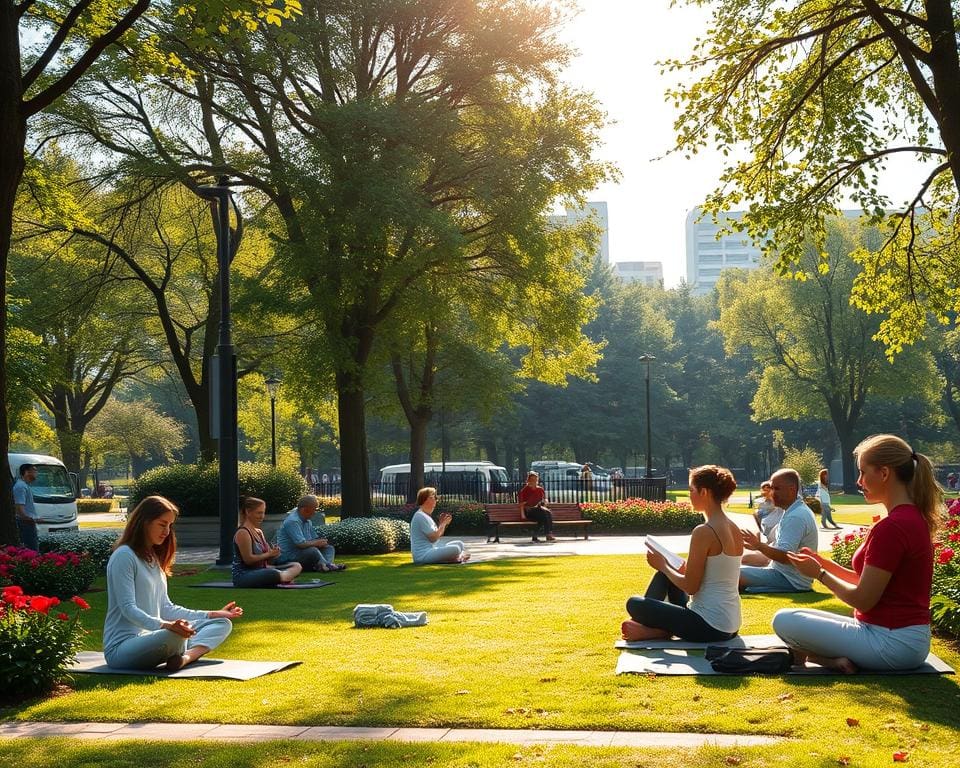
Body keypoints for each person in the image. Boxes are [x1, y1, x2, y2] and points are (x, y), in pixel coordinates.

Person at [772, 435, 940, 672]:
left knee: (783, 621)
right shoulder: (907, 519)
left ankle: (822, 659)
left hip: (892, 643)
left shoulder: (894, 527)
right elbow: (865, 582)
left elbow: (863, 599)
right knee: (795, 614)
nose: (859, 481)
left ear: (884, 473)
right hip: (898, 638)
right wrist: (822, 563)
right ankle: (830, 661)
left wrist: (819, 574)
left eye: (862, 472)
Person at [103, 495, 243, 671]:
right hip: (122, 649)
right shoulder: (124, 556)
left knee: (222, 623)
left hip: (155, 636)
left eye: (170, 525)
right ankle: (180, 648)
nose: (167, 531)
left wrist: (213, 614)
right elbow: (128, 608)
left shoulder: (153, 558)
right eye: (162, 524)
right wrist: (167, 626)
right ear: (144, 522)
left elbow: (166, 607)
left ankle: (185, 658)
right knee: (174, 636)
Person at [621, 465, 743, 642]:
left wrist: (662, 564)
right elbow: (716, 575)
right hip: (730, 625)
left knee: (634, 603)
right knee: (664, 577)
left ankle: (653, 630)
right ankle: (653, 630)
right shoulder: (734, 528)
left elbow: (691, 587)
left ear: (705, 492)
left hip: (709, 626)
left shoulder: (704, 531)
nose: (689, 495)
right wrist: (673, 569)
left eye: (691, 490)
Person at [739, 468, 819, 593]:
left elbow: (785, 556)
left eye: (777, 489)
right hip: (784, 573)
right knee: (744, 559)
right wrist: (758, 548)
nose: (772, 493)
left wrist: (758, 545)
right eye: (771, 488)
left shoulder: (796, 516)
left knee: (731, 575)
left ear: (792, 489)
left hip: (790, 579)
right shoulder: (794, 510)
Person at [232, 496, 303, 587]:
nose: (262, 516)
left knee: (296, 565)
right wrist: (269, 554)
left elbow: (268, 559)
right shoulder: (243, 532)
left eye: (263, 513)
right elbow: (248, 560)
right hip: (244, 575)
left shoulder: (259, 532)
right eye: (259, 513)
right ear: (248, 512)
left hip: (262, 569)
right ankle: (283, 577)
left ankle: (283, 577)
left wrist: (274, 553)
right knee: (273, 573)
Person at [277, 494, 345, 572]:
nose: (315, 512)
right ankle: (327, 565)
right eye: (314, 509)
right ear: (305, 510)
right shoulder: (293, 521)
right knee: (313, 551)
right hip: (289, 555)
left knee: (329, 548)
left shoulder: (307, 521)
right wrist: (316, 543)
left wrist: (322, 542)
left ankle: (324, 566)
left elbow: (313, 539)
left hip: (301, 552)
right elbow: (300, 544)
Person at [410, 487, 470, 564]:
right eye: (433, 497)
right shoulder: (420, 516)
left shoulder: (426, 516)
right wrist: (443, 524)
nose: (436, 500)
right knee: (456, 549)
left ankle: (455, 558)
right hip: (423, 555)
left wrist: (442, 524)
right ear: (425, 500)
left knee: (459, 544)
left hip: (432, 549)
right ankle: (457, 557)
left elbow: (438, 535)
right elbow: (433, 538)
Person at [518, 471, 555, 542]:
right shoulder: (524, 490)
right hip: (529, 512)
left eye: (535, 479)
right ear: (528, 480)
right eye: (532, 480)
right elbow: (521, 504)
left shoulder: (540, 489)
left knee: (546, 514)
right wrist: (522, 515)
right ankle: (548, 534)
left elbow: (544, 500)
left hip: (539, 510)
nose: (534, 481)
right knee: (545, 513)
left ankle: (541, 535)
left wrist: (545, 502)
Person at [13, 463, 42, 552]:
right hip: (25, 524)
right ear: (26, 472)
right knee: (31, 550)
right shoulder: (20, 487)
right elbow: (19, 508)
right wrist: (30, 519)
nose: (36, 473)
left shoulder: (24, 485)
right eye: (34, 471)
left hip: (27, 523)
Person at [752, 481, 783, 546]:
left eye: (767, 490)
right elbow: (757, 514)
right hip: (763, 527)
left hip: (773, 527)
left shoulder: (776, 501)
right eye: (763, 490)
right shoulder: (759, 501)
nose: (765, 492)